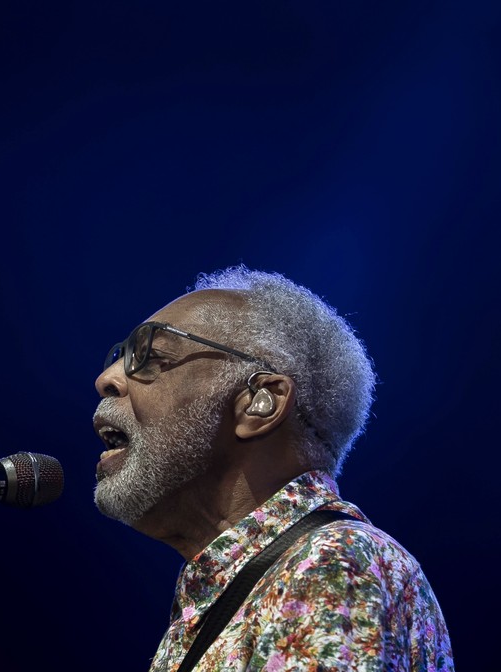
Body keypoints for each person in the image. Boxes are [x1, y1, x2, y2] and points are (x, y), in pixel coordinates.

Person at [93, 265, 452, 671]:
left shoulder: (330, 562)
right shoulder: (254, 582)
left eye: (150, 356)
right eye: (120, 357)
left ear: (260, 402)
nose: (106, 379)